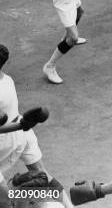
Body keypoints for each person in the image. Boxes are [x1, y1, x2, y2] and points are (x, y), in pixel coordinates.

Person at [0, 45, 72, 206]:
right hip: (23, 134)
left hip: (4, 141)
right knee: (42, 173)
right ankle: (67, 205)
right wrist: (23, 125)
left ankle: (20, 197)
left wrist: (21, 126)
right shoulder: (7, 80)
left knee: (6, 199)